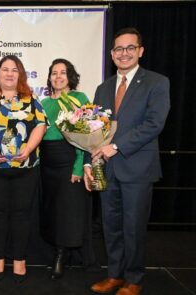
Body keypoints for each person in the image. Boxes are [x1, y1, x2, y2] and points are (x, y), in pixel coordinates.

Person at [84, 27, 170, 295]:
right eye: (119, 49)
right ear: (111, 54)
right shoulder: (103, 87)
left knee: (133, 226)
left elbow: (154, 124)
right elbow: (92, 129)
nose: (124, 53)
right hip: (107, 170)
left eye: (130, 48)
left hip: (138, 168)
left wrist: (117, 146)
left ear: (140, 51)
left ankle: (133, 279)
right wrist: (89, 163)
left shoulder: (157, 82)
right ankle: (114, 275)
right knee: (110, 226)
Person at [0, 55, 47, 282]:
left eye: (14, 70)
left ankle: (20, 260)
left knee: (22, 215)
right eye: (5, 69)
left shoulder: (31, 99)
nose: (10, 73)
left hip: (27, 167)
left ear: (20, 74)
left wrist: (29, 147)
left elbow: (40, 126)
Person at [39, 58, 98, 280]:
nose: (58, 77)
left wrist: (78, 166)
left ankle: (62, 255)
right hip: (47, 162)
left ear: (70, 76)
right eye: (54, 73)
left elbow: (86, 136)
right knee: (52, 209)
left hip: (68, 159)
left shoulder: (79, 99)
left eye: (62, 72)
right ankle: (56, 250)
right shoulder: (43, 103)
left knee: (68, 211)